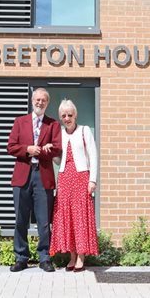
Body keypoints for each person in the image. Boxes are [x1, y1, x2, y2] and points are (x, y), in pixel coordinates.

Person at [7, 87, 62, 272]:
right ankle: (21, 258)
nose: (40, 103)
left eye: (43, 100)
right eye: (37, 100)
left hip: (43, 175)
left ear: (47, 103)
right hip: (23, 174)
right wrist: (28, 149)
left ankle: (45, 257)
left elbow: (58, 148)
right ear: (32, 101)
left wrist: (47, 149)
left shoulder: (52, 124)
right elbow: (11, 146)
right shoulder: (19, 122)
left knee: (44, 220)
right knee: (20, 219)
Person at [50, 99, 98, 272]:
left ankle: (81, 257)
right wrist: (50, 151)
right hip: (63, 178)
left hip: (81, 178)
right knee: (67, 217)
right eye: (64, 115)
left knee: (80, 217)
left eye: (70, 114)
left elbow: (93, 155)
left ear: (75, 114)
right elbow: (57, 160)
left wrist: (93, 180)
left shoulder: (85, 131)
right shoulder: (60, 134)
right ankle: (71, 257)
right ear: (60, 117)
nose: (67, 118)